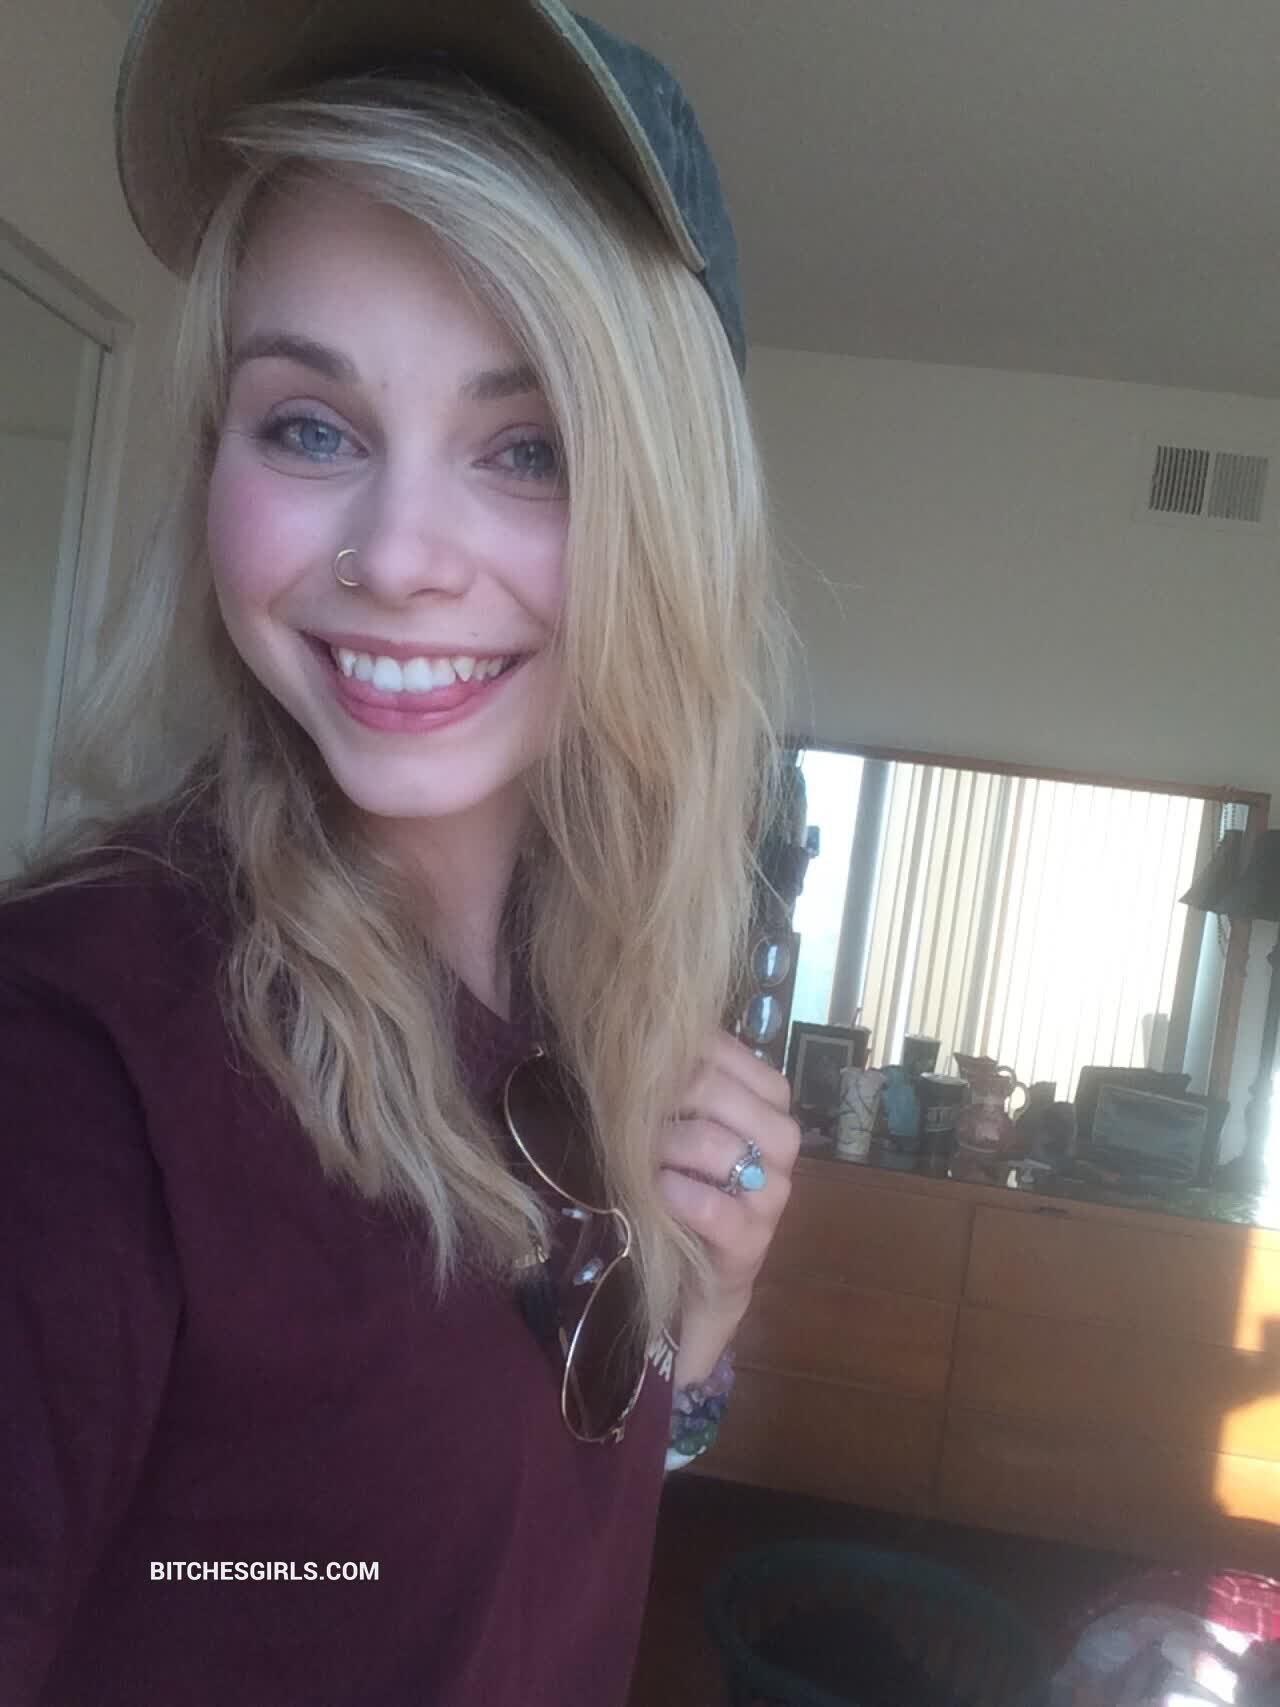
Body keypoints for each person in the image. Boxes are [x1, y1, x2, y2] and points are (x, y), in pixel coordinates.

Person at [0, 2, 799, 1702]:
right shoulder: (69, 1056)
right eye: (312, 425)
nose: (399, 554)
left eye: (529, 448)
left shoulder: (595, 989)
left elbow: (441, 1549)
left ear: (665, 518)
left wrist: (696, 1341)